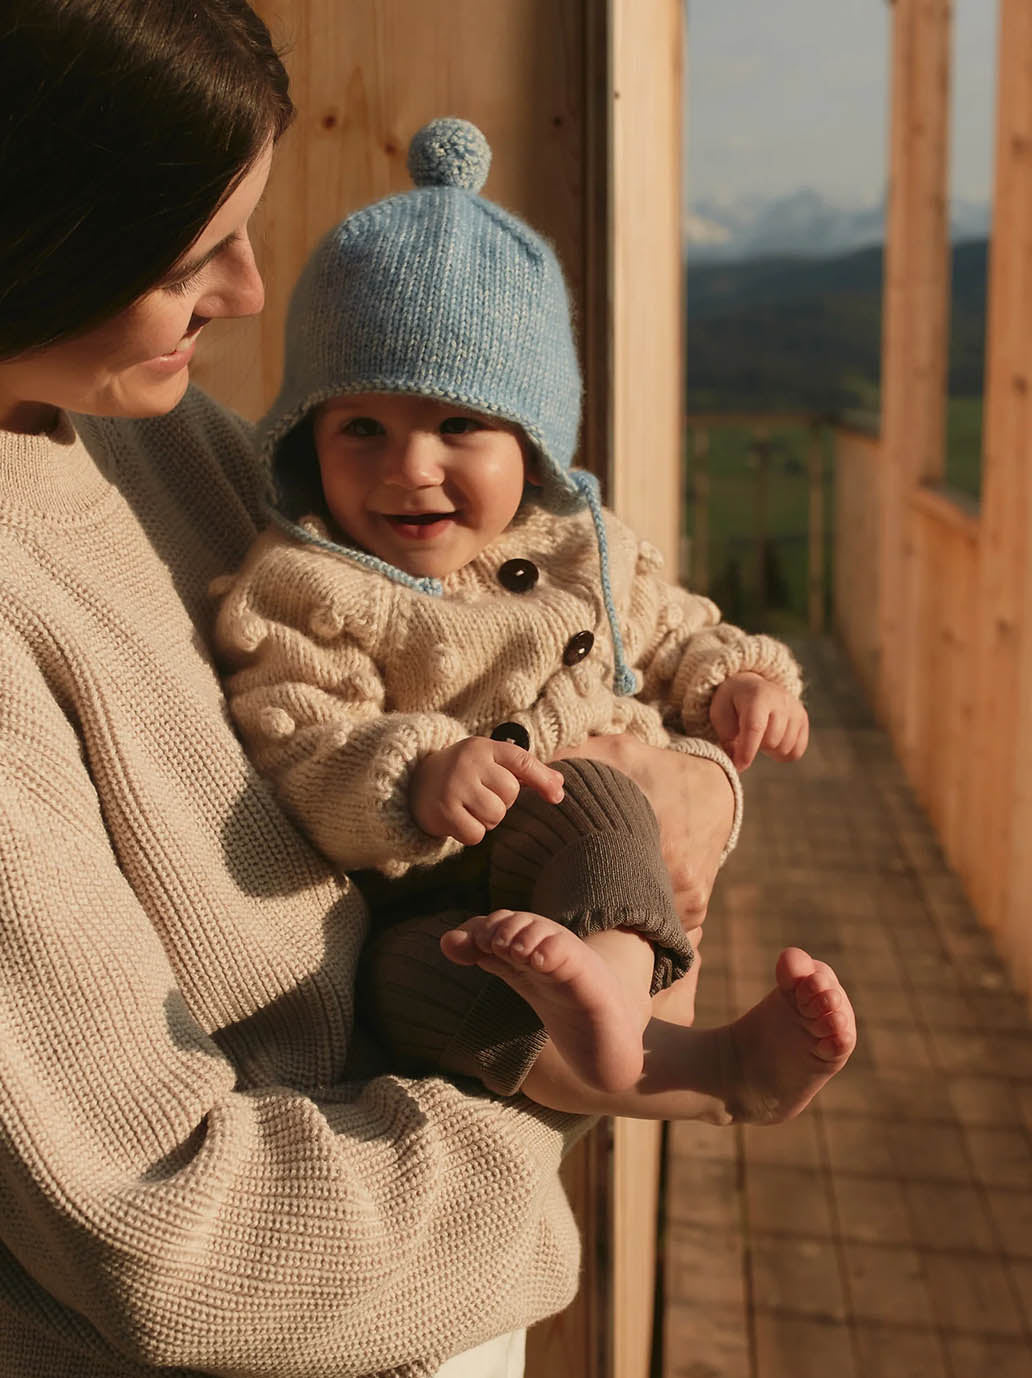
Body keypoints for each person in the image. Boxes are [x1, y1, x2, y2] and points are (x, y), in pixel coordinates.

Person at [0, 6, 753, 1377]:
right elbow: (173, 1242)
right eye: (188, 255)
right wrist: (552, 1083)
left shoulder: (141, 440)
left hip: (417, 1253)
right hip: (335, 1303)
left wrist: (694, 790)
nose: (241, 291)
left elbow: (561, 649)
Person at [213, 118, 855, 1126]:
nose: (408, 467)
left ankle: (604, 993)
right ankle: (699, 1071)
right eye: (362, 428)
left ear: (535, 442)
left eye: (458, 425)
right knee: (404, 980)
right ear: (310, 437)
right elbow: (299, 738)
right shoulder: (307, 580)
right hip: (433, 890)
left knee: (589, 797)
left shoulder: (579, 547)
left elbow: (677, 631)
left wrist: (738, 681)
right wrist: (418, 772)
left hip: (583, 846)